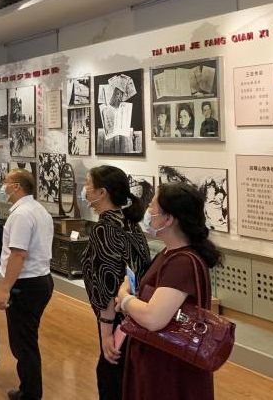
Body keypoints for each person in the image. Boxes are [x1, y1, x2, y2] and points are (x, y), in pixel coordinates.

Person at [117, 182, 223, 400]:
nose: (148, 211)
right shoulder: (169, 253)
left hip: (169, 368)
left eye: (152, 207)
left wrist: (124, 298)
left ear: (168, 219)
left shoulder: (182, 263)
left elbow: (154, 318)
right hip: (159, 361)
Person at [80, 166, 151, 400]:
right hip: (134, 314)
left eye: (88, 185)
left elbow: (106, 284)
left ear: (102, 192)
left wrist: (106, 333)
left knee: (110, 377)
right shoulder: (129, 222)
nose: (85, 190)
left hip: (119, 319)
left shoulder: (104, 228)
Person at [0, 169, 54, 400]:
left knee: (23, 343)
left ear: (17, 186)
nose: (3, 186)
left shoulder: (21, 215)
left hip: (26, 284)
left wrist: (5, 288)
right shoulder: (38, 209)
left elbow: (18, 254)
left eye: (6, 182)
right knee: (25, 339)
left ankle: (30, 393)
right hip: (40, 280)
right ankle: (28, 388)